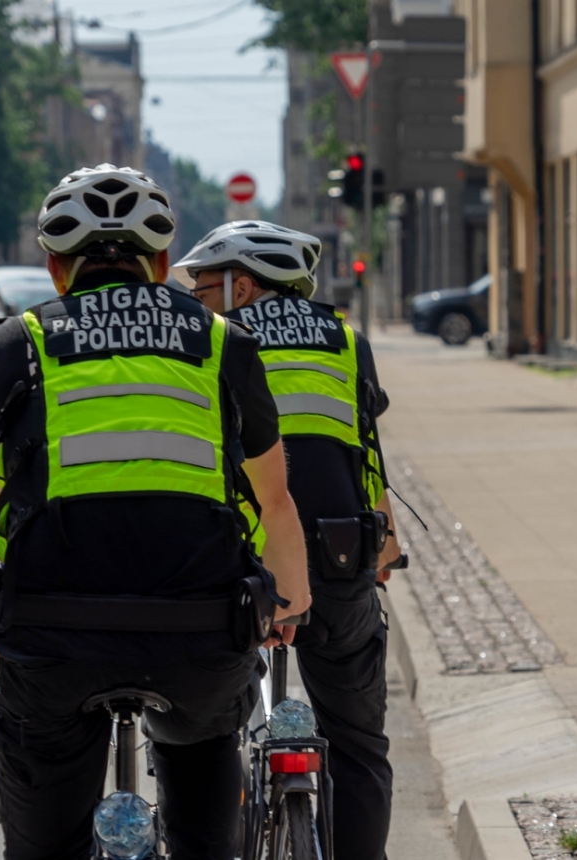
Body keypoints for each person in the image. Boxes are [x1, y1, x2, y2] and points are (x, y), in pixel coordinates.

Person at [0, 165, 311, 860]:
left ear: (55, 269)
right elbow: (273, 497)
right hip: (197, 632)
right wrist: (290, 604)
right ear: (161, 263)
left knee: (44, 840)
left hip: (52, 634)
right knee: (204, 806)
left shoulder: (11, 346)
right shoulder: (225, 343)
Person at [175, 221, 402, 860]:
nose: (196, 300)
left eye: (204, 286)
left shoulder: (215, 343)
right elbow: (366, 457)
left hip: (239, 567)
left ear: (242, 286)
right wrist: (385, 551)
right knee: (359, 744)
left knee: (204, 735)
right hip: (338, 559)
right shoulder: (347, 340)